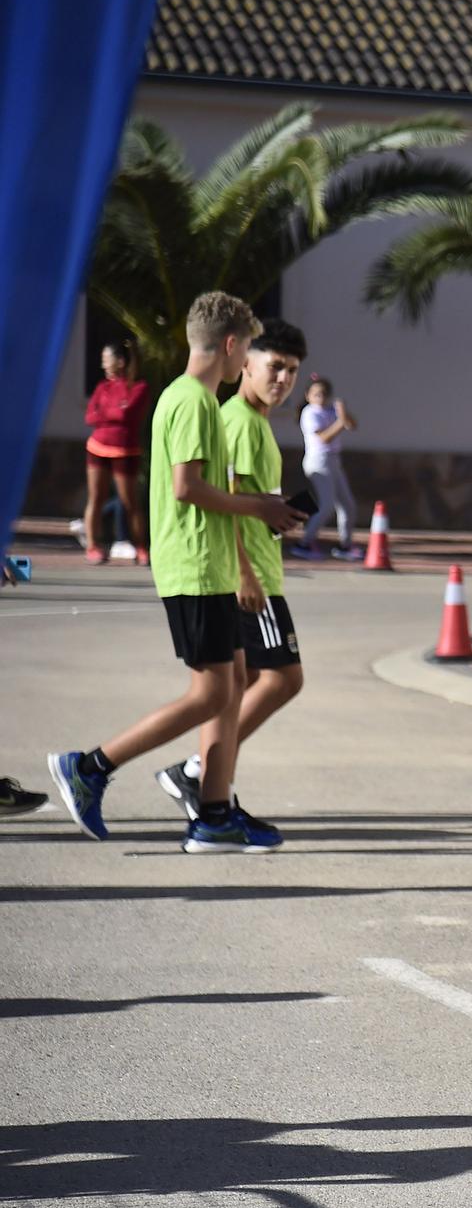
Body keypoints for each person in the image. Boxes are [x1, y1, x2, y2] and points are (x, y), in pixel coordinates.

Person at [46, 293, 305, 852]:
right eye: (247, 355)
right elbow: (188, 488)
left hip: (206, 567)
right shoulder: (192, 402)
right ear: (233, 345)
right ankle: (90, 767)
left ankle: (213, 814)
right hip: (193, 566)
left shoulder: (199, 401)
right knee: (212, 694)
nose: (246, 369)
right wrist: (259, 509)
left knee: (232, 687)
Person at [156, 321, 310, 820]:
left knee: (244, 683)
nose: (282, 378)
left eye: (291, 370)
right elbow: (222, 504)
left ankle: (209, 783)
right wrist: (245, 573)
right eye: (273, 365)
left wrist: (278, 513)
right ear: (244, 361)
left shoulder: (256, 422)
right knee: (279, 679)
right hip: (249, 579)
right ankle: (201, 772)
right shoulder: (238, 421)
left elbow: (246, 501)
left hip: (259, 572)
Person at [82, 338, 150, 565]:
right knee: (96, 498)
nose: (103, 365)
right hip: (97, 448)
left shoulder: (139, 387)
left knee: (130, 502)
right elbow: (90, 416)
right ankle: (93, 546)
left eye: (107, 360)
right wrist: (114, 411)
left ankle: (141, 547)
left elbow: (127, 415)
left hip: (125, 451)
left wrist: (107, 413)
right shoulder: (102, 387)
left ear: (120, 362)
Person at [295, 374, 360, 560]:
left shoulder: (331, 410)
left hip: (334, 460)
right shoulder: (310, 413)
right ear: (308, 395)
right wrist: (341, 420)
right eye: (316, 394)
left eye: (324, 394)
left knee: (347, 505)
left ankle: (345, 545)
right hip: (319, 461)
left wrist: (344, 413)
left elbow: (353, 425)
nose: (320, 398)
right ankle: (304, 543)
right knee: (326, 506)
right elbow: (324, 437)